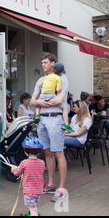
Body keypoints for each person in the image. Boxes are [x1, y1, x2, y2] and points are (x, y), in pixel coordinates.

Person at [30, 52, 69, 203]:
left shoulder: (62, 78)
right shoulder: (40, 80)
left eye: (46, 62)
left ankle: (62, 187)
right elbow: (33, 101)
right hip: (42, 120)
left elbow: (60, 98)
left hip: (55, 118)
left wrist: (42, 102)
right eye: (42, 63)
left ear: (53, 63)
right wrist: (41, 103)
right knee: (47, 152)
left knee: (58, 151)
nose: (43, 65)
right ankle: (51, 183)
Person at [34, 62, 73, 132]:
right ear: (61, 73)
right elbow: (58, 89)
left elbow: (40, 84)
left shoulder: (46, 77)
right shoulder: (58, 78)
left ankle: (37, 115)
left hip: (43, 95)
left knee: (38, 104)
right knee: (65, 108)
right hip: (51, 95)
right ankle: (66, 124)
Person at [11, 137, 46, 216]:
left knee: (33, 209)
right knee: (33, 205)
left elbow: (17, 173)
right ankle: (29, 214)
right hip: (39, 190)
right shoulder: (42, 163)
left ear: (26, 151)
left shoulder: (24, 163)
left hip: (29, 191)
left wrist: (13, 169)